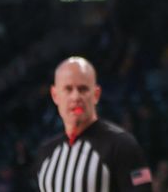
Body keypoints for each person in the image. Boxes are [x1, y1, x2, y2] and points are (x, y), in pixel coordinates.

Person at [35, 56, 152, 191]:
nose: (76, 97)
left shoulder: (123, 145)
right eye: (68, 89)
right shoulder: (46, 152)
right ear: (55, 95)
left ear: (96, 94)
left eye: (83, 89)